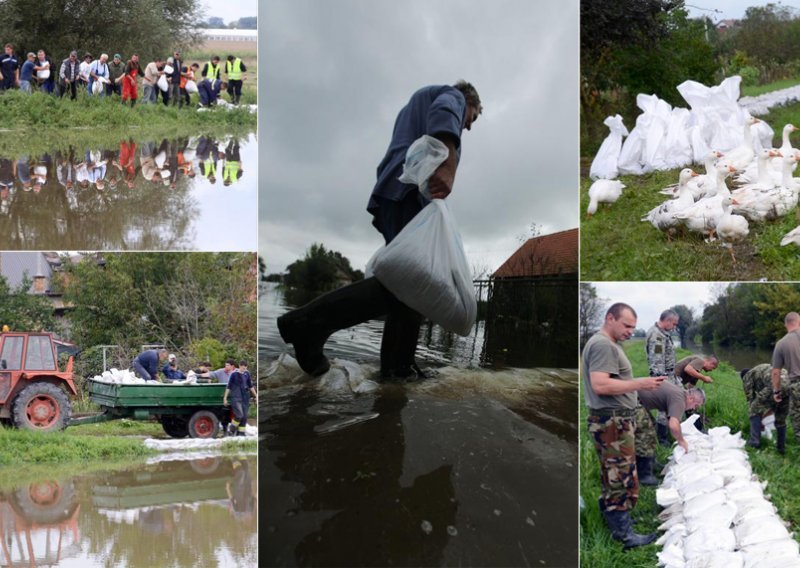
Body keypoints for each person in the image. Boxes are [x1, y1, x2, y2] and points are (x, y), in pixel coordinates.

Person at [278, 81, 482, 380]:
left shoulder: (415, 103)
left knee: (409, 282)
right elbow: (445, 112)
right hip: (411, 190)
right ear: (469, 101)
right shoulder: (449, 95)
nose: (470, 126)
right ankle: (308, 324)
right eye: (472, 117)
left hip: (397, 188)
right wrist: (449, 162)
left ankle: (397, 365)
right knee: (410, 280)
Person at [583, 302, 665, 549]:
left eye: (634, 327)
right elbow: (601, 385)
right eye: (627, 325)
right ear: (610, 318)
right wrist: (640, 383)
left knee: (615, 475)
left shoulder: (608, 344)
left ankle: (619, 520)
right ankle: (624, 536)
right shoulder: (602, 345)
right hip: (612, 422)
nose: (631, 331)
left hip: (614, 421)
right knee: (619, 477)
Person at [634, 384, 705, 485]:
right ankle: (643, 475)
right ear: (691, 398)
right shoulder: (680, 401)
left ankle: (650, 462)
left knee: (651, 426)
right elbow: (673, 425)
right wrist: (681, 441)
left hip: (633, 396)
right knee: (646, 432)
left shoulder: (680, 394)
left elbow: (670, 420)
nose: (693, 408)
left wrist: (679, 431)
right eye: (696, 405)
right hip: (628, 398)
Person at [646, 309, 679, 446]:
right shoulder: (657, 336)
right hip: (663, 377)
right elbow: (657, 359)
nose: (675, 327)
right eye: (674, 324)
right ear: (668, 321)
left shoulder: (662, 333)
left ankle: (677, 430)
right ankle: (662, 438)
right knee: (663, 408)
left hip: (670, 374)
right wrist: (662, 381)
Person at [742, 363, 789, 453]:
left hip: (775, 385)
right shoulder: (762, 369)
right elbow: (772, 406)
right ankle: (781, 448)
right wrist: (762, 419)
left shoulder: (747, 376)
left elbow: (751, 400)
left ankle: (754, 442)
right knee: (781, 418)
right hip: (790, 384)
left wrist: (757, 418)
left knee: (754, 408)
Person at [773, 311, 800, 445]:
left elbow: (776, 372)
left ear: (786, 324)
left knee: (797, 417)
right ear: (798, 322)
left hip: (797, 385)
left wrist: (776, 391)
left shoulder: (781, 343)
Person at [223, 360, 257, 436]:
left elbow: (250, 386)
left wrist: (256, 395)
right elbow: (229, 387)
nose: (244, 369)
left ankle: (241, 433)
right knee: (239, 415)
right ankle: (231, 429)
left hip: (245, 397)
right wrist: (225, 398)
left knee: (244, 417)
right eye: (242, 367)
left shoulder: (247, 373)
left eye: (245, 368)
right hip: (236, 398)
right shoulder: (234, 374)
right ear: (240, 366)